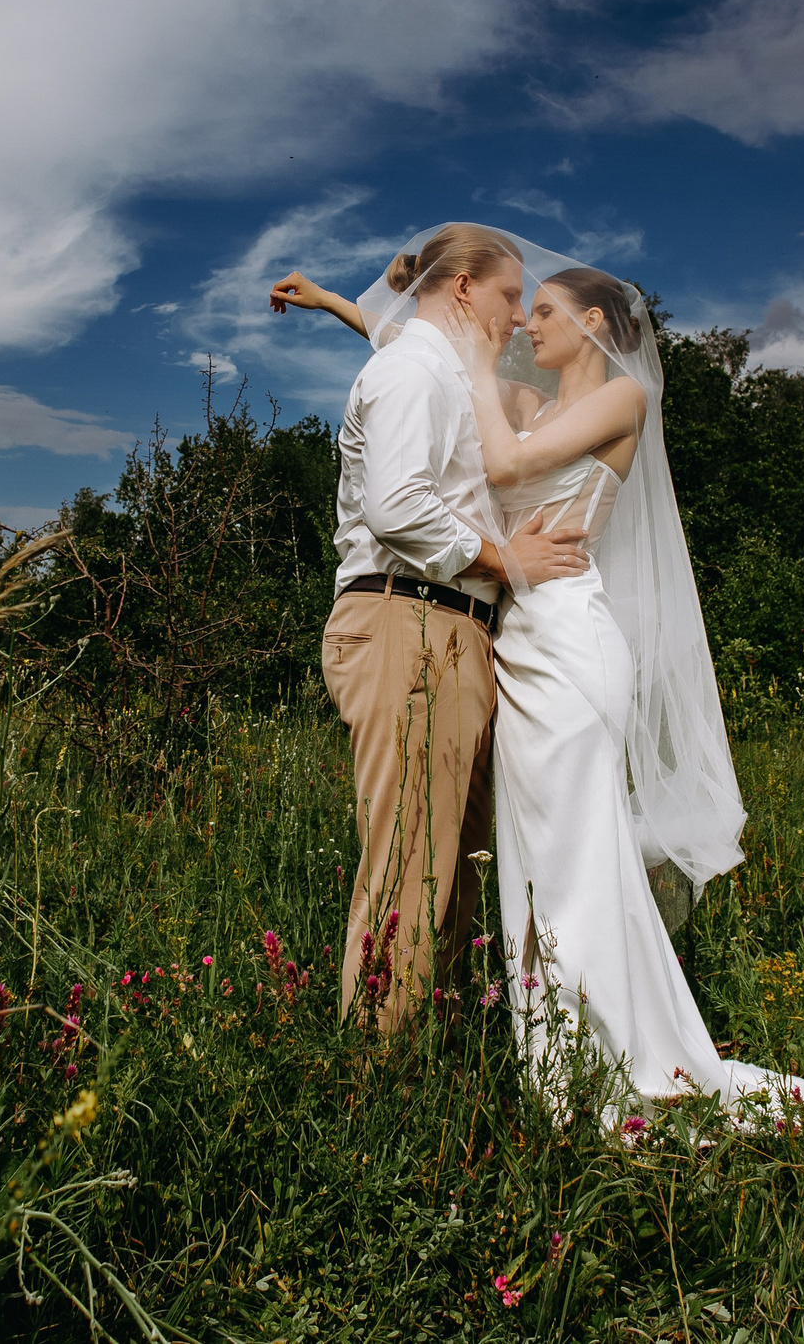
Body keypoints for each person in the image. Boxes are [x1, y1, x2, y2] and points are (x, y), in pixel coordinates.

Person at [273, 233, 804, 1141]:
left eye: (540, 309)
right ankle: (557, 1057)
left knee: (575, 855)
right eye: (516, 302)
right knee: (530, 862)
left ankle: (612, 1060)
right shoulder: (526, 400)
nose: (522, 322)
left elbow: (501, 459)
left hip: (567, 644)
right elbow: (417, 352)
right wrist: (339, 303)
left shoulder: (617, 398)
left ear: (593, 323)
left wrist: (457, 335)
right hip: (513, 640)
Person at [299, 224, 594, 1032]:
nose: (516, 317)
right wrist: (506, 558)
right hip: (409, 620)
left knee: (452, 872)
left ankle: (433, 1057)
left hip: (447, 627)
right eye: (507, 295)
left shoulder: (446, 371)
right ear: (462, 287)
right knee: (409, 867)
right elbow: (397, 506)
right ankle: (372, 1085)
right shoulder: (410, 370)